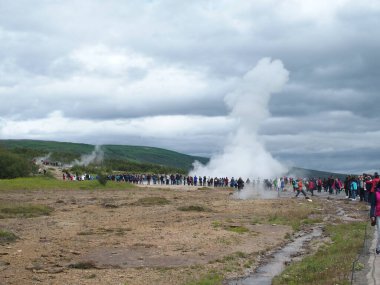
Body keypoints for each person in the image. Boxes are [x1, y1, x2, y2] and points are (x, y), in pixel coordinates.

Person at [370, 180, 380, 254]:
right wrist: (372, 216)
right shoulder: (375, 193)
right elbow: (373, 206)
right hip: (378, 215)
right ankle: (378, 247)